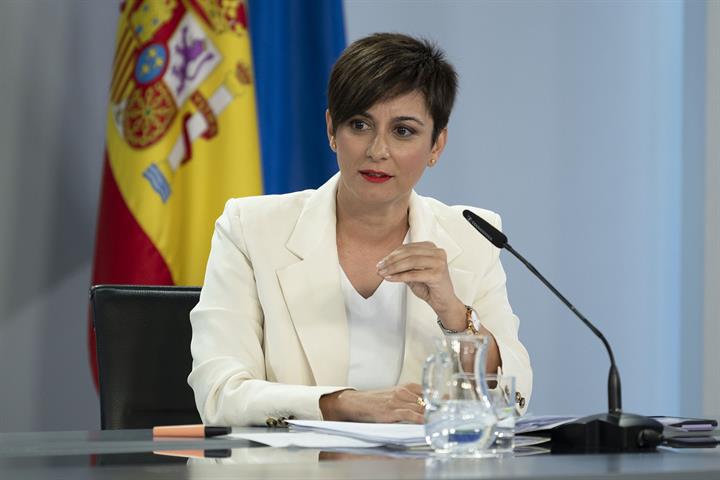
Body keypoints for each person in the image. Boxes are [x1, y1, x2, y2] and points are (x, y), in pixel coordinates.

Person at [188, 33, 532, 427]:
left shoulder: (472, 237)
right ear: (332, 129)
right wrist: (341, 404)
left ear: (437, 145)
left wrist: (453, 313)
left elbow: (514, 395)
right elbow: (219, 393)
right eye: (360, 124)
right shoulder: (251, 230)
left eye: (403, 131)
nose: (377, 150)